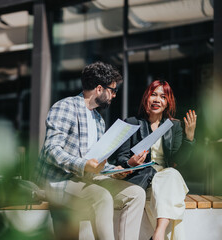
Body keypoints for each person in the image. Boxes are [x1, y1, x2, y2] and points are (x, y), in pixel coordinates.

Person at [35, 62, 146, 240]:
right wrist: (84, 165)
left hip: (86, 180)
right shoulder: (66, 107)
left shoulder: (98, 120)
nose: (115, 95)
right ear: (100, 89)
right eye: (113, 90)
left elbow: (95, 159)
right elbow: (51, 150)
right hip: (60, 180)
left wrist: (113, 170)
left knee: (136, 194)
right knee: (101, 196)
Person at [109, 80, 197, 240]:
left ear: (168, 102)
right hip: (141, 178)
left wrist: (189, 139)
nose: (157, 100)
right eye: (153, 95)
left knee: (171, 173)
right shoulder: (132, 123)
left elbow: (178, 161)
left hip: (165, 179)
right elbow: (121, 157)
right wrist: (132, 162)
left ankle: (158, 233)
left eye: (163, 97)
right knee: (170, 177)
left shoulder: (174, 126)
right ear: (146, 98)